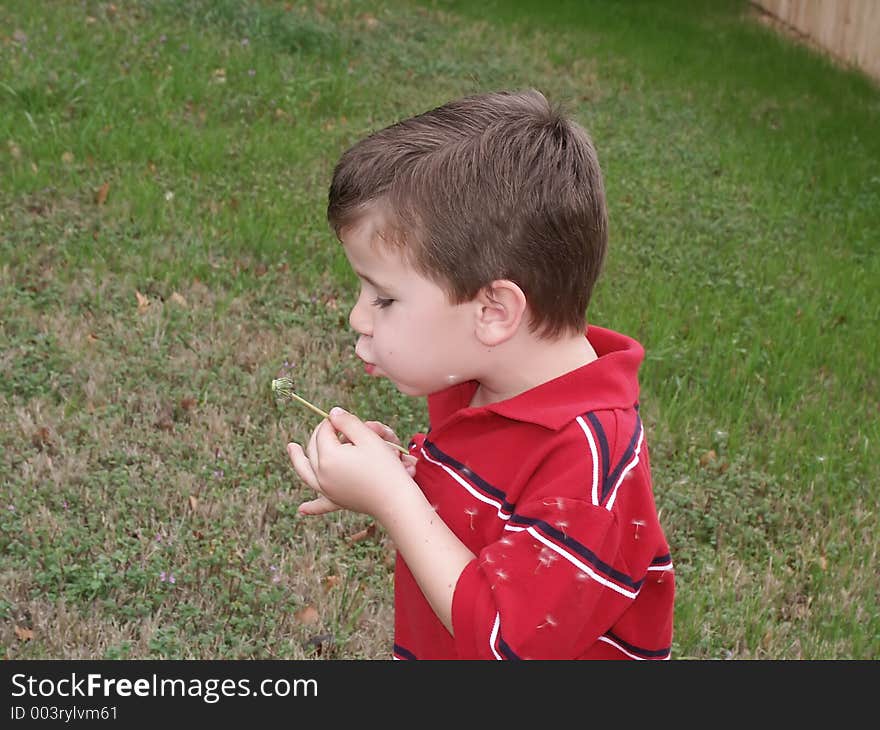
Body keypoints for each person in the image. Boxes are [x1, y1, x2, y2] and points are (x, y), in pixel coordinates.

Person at [286, 89, 674, 660]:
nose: (357, 316)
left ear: (494, 312)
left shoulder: (590, 464)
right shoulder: (486, 384)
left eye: (384, 298)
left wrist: (395, 499)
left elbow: (505, 645)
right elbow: (491, 525)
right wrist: (407, 476)